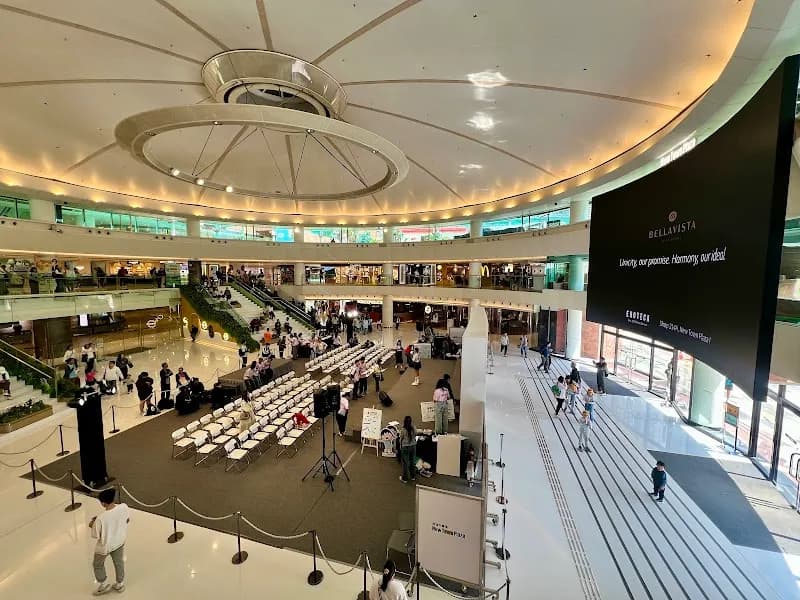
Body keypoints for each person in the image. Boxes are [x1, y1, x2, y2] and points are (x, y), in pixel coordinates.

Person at [89, 488, 130, 595]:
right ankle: (120, 584)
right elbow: (127, 520)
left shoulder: (100, 519)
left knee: (97, 564)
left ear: (103, 503)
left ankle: (103, 584)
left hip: (105, 546)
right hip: (119, 541)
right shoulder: (124, 507)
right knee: (119, 562)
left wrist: (92, 524)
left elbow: (95, 535)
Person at [398, 415, 418, 483]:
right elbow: (416, 433)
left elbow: (401, 439)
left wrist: (400, 447)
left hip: (405, 447)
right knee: (412, 462)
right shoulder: (413, 428)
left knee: (405, 463)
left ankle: (405, 478)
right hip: (413, 446)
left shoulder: (403, 429)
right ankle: (413, 476)